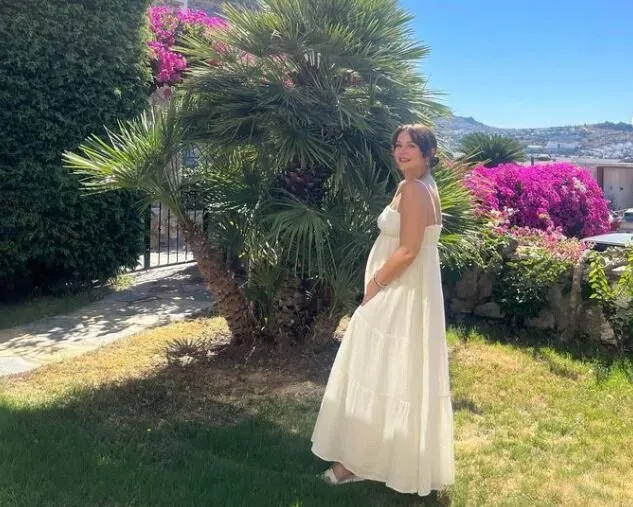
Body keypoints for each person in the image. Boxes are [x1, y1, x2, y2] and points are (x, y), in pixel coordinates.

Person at [310, 124, 455, 496]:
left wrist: (374, 286)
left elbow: (407, 251)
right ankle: (378, 458)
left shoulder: (415, 189)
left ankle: (354, 462)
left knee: (373, 367)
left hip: (400, 290)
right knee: (390, 369)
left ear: (428, 153)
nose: (402, 151)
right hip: (407, 289)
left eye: (411, 146)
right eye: (398, 145)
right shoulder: (415, 184)